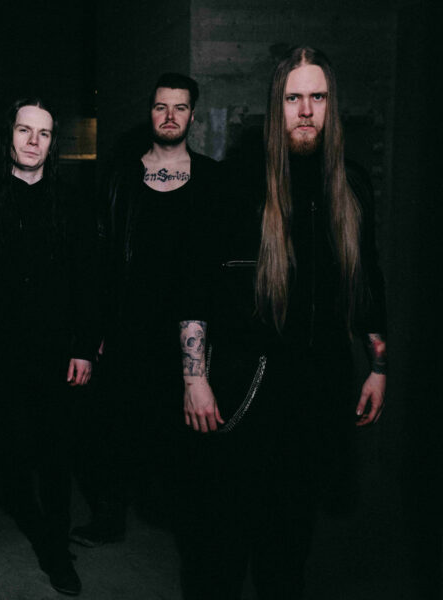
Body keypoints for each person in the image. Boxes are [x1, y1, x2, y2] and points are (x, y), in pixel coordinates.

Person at [178, 46, 387, 599]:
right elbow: (194, 284)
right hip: (248, 389)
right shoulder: (236, 181)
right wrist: (194, 377)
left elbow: (367, 280)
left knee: (289, 548)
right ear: (277, 106)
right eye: (294, 98)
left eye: (318, 97)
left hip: (316, 396)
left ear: (331, 105)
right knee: (222, 548)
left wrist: (377, 366)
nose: (306, 110)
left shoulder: (352, 186)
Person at [0, 97, 100, 596]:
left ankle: (56, 555)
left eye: (44, 133)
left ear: (53, 143)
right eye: (24, 130)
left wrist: (83, 348)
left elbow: (90, 283)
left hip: (55, 359)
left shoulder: (73, 205)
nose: (34, 141)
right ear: (7, 135)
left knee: (55, 464)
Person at [70, 73, 219, 546]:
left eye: (180, 107)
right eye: (161, 107)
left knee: (181, 430)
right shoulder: (121, 176)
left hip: (189, 331)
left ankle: (178, 518)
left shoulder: (213, 179)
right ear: (149, 112)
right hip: (127, 327)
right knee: (113, 429)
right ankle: (109, 517)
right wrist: (94, 327)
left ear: (192, 115)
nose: (170, 116)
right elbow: (97, 259)